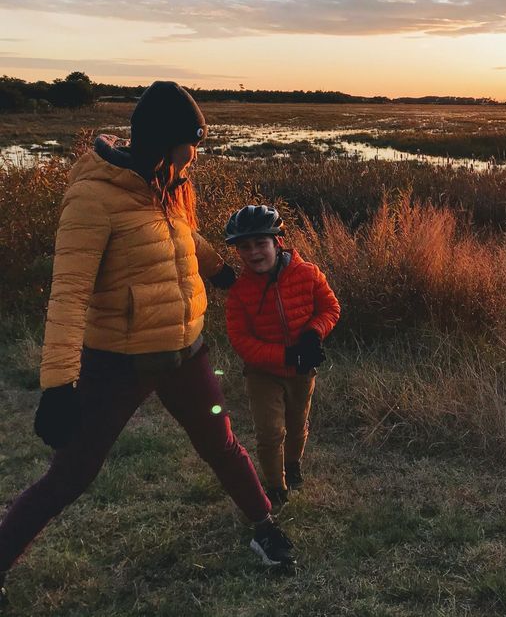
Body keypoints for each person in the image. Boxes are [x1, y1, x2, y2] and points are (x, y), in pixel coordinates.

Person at [0, 82, 294, 609]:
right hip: (119, 363)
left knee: (221, 443)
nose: (193, 158)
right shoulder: (93, 198)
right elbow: (68, 294)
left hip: (186, 352)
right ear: (162, 142)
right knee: (71, 472)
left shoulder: (165, 185)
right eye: (189, 147)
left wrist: (217, 268)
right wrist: (58, 386)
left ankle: (263, 524)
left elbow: (180, 234)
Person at [224, 205, 341, 509]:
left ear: (277, 242)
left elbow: (330, 308)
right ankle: (276, 487)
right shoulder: (239, 293)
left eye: (260, 243)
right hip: (263, 373)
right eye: (244, 247)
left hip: (303, 369)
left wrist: (314, 333)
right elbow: (243, 342)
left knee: (297, 424)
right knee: (270, 431)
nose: (253, 253)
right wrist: (286, 354)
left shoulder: (307, 273)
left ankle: (293, 465)